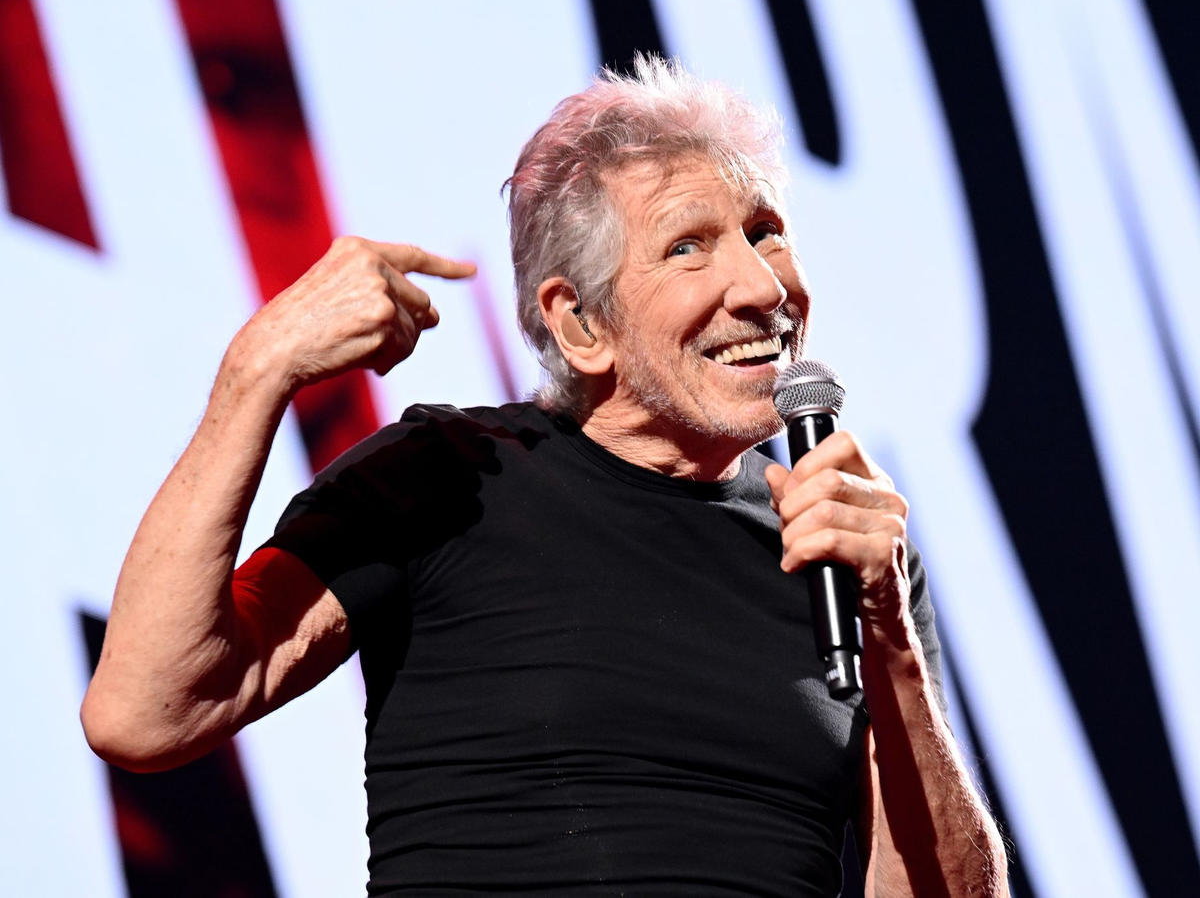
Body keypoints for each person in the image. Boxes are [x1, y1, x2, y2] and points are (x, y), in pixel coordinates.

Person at [82, 56, 1008, 897]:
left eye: (765, 232)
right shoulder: (447, 477)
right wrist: (257, 373)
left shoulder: (846, 557)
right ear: (581, 325)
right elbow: (146, 712)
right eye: (688, 246)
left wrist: (890, 635)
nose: (764, 288)